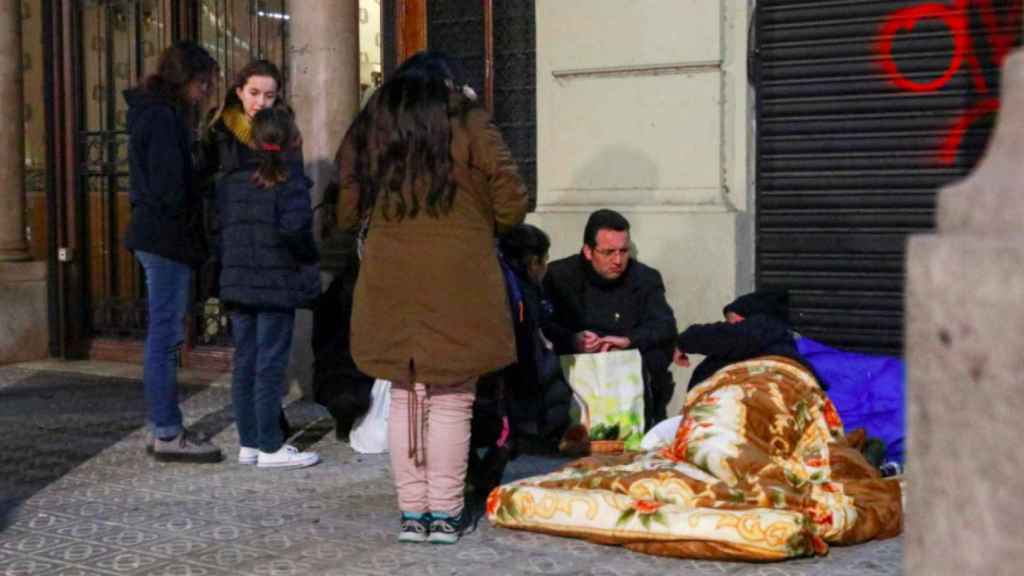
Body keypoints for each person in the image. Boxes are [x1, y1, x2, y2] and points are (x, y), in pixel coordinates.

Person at [335, 51, 528, 544]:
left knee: (404, 391)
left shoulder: (373, 124)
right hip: (459, 271)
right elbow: (512, 196)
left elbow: (346, 203)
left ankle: (412, 512)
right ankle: (443, 513)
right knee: (451, 395)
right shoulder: (467, 120)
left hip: (389, 269)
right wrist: (477, 226)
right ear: (449, 82)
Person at [123, 41, 222, 463]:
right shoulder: (163, 119)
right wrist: (203, 169)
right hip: (165, 239)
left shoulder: (154, 113)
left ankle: (163, 425)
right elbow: (170, 188)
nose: (205, 93)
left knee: (163, 335)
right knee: (165, 337)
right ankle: (167, 430)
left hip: (156, 236)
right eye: (204, 84)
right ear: (187, 80)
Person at [217, 106, 320, 469]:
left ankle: (249, 441)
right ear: (291, 139)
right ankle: (270, 446)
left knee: (245, 361)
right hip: (276, 284)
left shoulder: (231, 181)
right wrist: (308, 258)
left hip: (238, 283)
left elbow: (221, 229)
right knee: (269, 364)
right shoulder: (288, 180)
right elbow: (296, 231)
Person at [199, 59, 294, 439]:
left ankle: (259, 433)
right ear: (239, 91)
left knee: (263, 355)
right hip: (238, 251)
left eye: (269, 95)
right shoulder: (221, 133)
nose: (260, 102)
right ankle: (258, 437)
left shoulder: (283, 129)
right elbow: (208, 193)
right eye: (254, 93)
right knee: (252, 355)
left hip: (268, 255)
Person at [543, 209, 678, 428]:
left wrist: (628, 341)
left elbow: (663, 325)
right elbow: (544, 324)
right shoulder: (559, 276)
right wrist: (573, 340)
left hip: (627, 362)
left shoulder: (644, 278)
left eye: (623, 251)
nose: (617, 260)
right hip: (574, 361)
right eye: (608, 252)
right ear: (588, 251)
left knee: (656, 353)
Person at [496, 223, 572, 447]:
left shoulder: (510, 282)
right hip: (519, 385)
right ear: (533, 262)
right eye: (545, 260)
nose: (546, 267)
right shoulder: (521, 293)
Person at [673, 288, 824, 389]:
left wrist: (685, 340)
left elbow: (730, 337)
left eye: (733, 321)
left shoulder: (764, 327)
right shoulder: (771, 341)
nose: (729, 326)